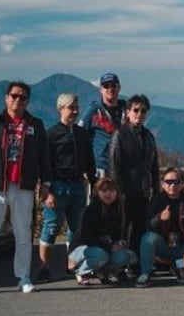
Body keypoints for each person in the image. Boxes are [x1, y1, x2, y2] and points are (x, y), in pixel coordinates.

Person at [0, 81, 52, 296]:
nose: (18, 100)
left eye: (22, 97)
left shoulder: (36, 124)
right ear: (6, 97)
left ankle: (23, 276)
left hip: (23, 185)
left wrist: (45, 183)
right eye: (14, 96)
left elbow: (44, 156)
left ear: (28, 101)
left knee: (23, 234)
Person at [36, 92, 96, 284]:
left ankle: (73, 265)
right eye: (71, 107)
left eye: (77, 107)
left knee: (77, 228)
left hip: (78, 185)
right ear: (61, 109)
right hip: (57, 185)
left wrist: (94, 183)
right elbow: (44, 163)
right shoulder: (51, 134)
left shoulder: (82, 134)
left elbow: (89, 161)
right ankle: (44, 267)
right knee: (51, 227)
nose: (75, 111)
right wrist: (47, 190)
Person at [136, 168, 184, 287]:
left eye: (176, 182)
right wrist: (160, 218)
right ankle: (145, 274)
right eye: (168, 182)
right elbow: (148, 225)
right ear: (162, 184)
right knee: (148, 238)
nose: (172, 185)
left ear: (182, 183)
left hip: (182, 248)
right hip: (163, 246)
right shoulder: (156, 201)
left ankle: (177, 266)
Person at [108, 94, 159, 257]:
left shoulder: (149, 136)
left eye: (143, 111)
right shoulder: (120, 135)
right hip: (126, 192)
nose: (139, 114)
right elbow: (114, 165)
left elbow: (154, 166)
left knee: (140, 229)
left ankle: (136, 264)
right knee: (123, 230)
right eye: (136, 110)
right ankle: (120, 264)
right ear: (128, 112)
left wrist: (155, 190)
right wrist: (119, 192)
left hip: (143, 192)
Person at [67, 177, 138, 285]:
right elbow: (87, 238)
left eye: (112, 191)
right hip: (84, 248)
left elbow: (118, 235)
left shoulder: (119, 210)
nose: (108, 194)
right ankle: (81, 271)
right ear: (97, 192)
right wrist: (109, 247)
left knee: (128, 256)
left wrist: (120, 243)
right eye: (104, 191)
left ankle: (104, 271)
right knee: (100, 255)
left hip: (105, 248)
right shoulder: (90, 210)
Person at [80, 72, 126, 178]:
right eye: (106, 86)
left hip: (123, 165)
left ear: (119, 88)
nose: (110, 89)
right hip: (101, 166)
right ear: (100, 90)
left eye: (113, 85)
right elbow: (81, 133)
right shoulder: (93, 110)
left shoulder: (126, 108)